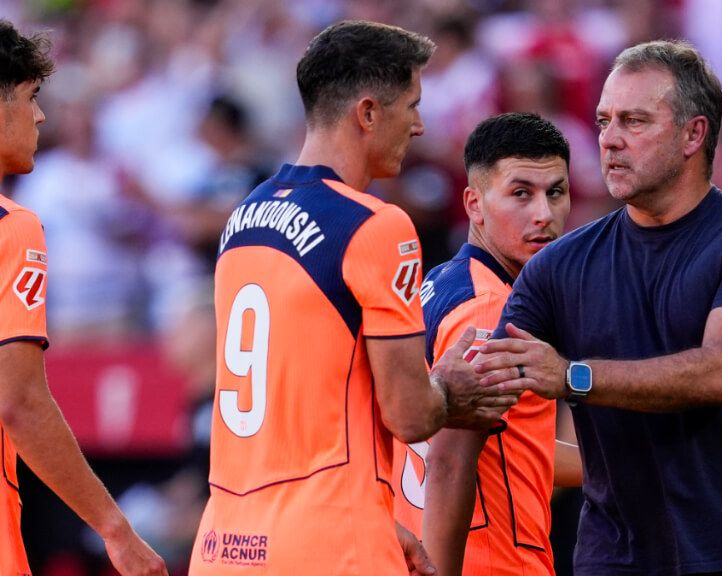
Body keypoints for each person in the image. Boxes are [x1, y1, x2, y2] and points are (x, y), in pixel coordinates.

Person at [476, 40, 722, 575]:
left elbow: (720, 372)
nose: (609, 140)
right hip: (612, 561)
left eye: (634, 121)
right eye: (604, 120)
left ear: (693, 133)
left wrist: (571, 377)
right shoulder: (558, 266)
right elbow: (481, 400)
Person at [188, 20, 513, 575]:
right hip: (330, 546)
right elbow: (410, 414)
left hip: (224, 544)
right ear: (367, 113)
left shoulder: (242, 218)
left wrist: (382, 520)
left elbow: (293, 412)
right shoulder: (377, 225)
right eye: (411, 105)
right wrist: (451, 390)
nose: (418, 125)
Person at [0, 19, 167, 576]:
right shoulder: (12, 226)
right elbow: (18, 402)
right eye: (30, 98)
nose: (40, 115)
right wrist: (115, 529)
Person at [392, 112, 582, 576]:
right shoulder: (491, 310)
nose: (543, 213)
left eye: (555, 192)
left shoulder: (439, 285)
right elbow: (451, 458)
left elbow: (518, 449)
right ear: (474, 204)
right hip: (491, 559)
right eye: (521, 193)